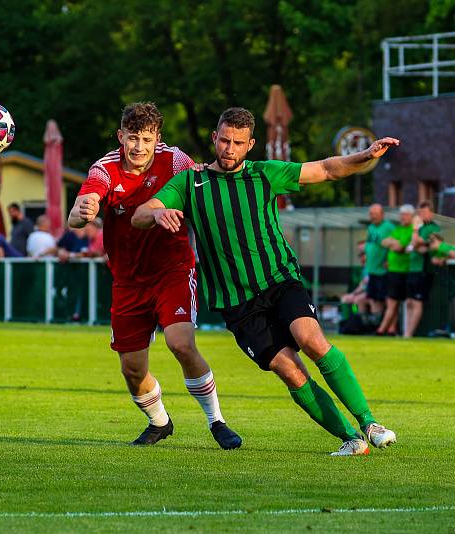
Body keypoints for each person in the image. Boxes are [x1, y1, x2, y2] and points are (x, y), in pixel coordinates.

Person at [132, 106, 398, 456]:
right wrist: (158, 211)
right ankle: (352, 438)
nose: (229, 148)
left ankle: (369, 422)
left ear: (250, 145)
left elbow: (327, 169)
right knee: (289, 370)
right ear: (215, 138)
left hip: (278, 279)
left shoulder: (266, 174)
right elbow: (139, 215)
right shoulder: (190, 182)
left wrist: (365, 155)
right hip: (236, 302)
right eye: (224, 140)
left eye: (238, 143)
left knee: (311, 339)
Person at [68, 101, 241, 449]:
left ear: (157, 138)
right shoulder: (105, 169)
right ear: (121, 136)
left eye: (147, 139)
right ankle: (160, 422)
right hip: (128, 280)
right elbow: (79, 211)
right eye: (132, 138)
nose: (139, 147)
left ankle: (216, 421)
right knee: (132, 370)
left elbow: (203, 187)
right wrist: (81, 211)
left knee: (181, 343)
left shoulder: (175, 160)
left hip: (172, 270)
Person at [377, 204, 414, 336]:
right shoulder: (397, 229)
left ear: (411, 216)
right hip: (393, 270)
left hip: (403, 271)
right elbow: (384, 242)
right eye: (401, 214)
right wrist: (394, 243)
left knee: (395, 303)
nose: (402, 217)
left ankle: (381, 330)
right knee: (392, 302)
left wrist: (394, 243)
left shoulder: (412, 230)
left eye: (405, 214)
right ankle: (390, 329)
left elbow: (400, 247)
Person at [405, 201, 440, 338]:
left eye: (424, 212)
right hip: (412, 269)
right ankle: (405, 332)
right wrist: (416, 244)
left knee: (417, 302)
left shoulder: (433, 228)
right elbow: (412, 246)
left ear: (431, 213)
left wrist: (415, 234)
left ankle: (409, 334)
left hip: (424, 270)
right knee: (409, 302)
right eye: (420, 213)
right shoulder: (420, 229)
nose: (421, 215)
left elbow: (423, 245)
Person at [364, 204, 394, 324]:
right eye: (371, 214)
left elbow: (394, 244)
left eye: (375, 214)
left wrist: (388, 260)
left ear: (382, 214)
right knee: (374, 298)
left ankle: (387, 326)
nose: (373, 216)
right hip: (371, 269)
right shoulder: (371, 227)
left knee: (385, 299)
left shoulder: (389, 227)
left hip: (383, 270)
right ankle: (376, 325)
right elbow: (370, 243)